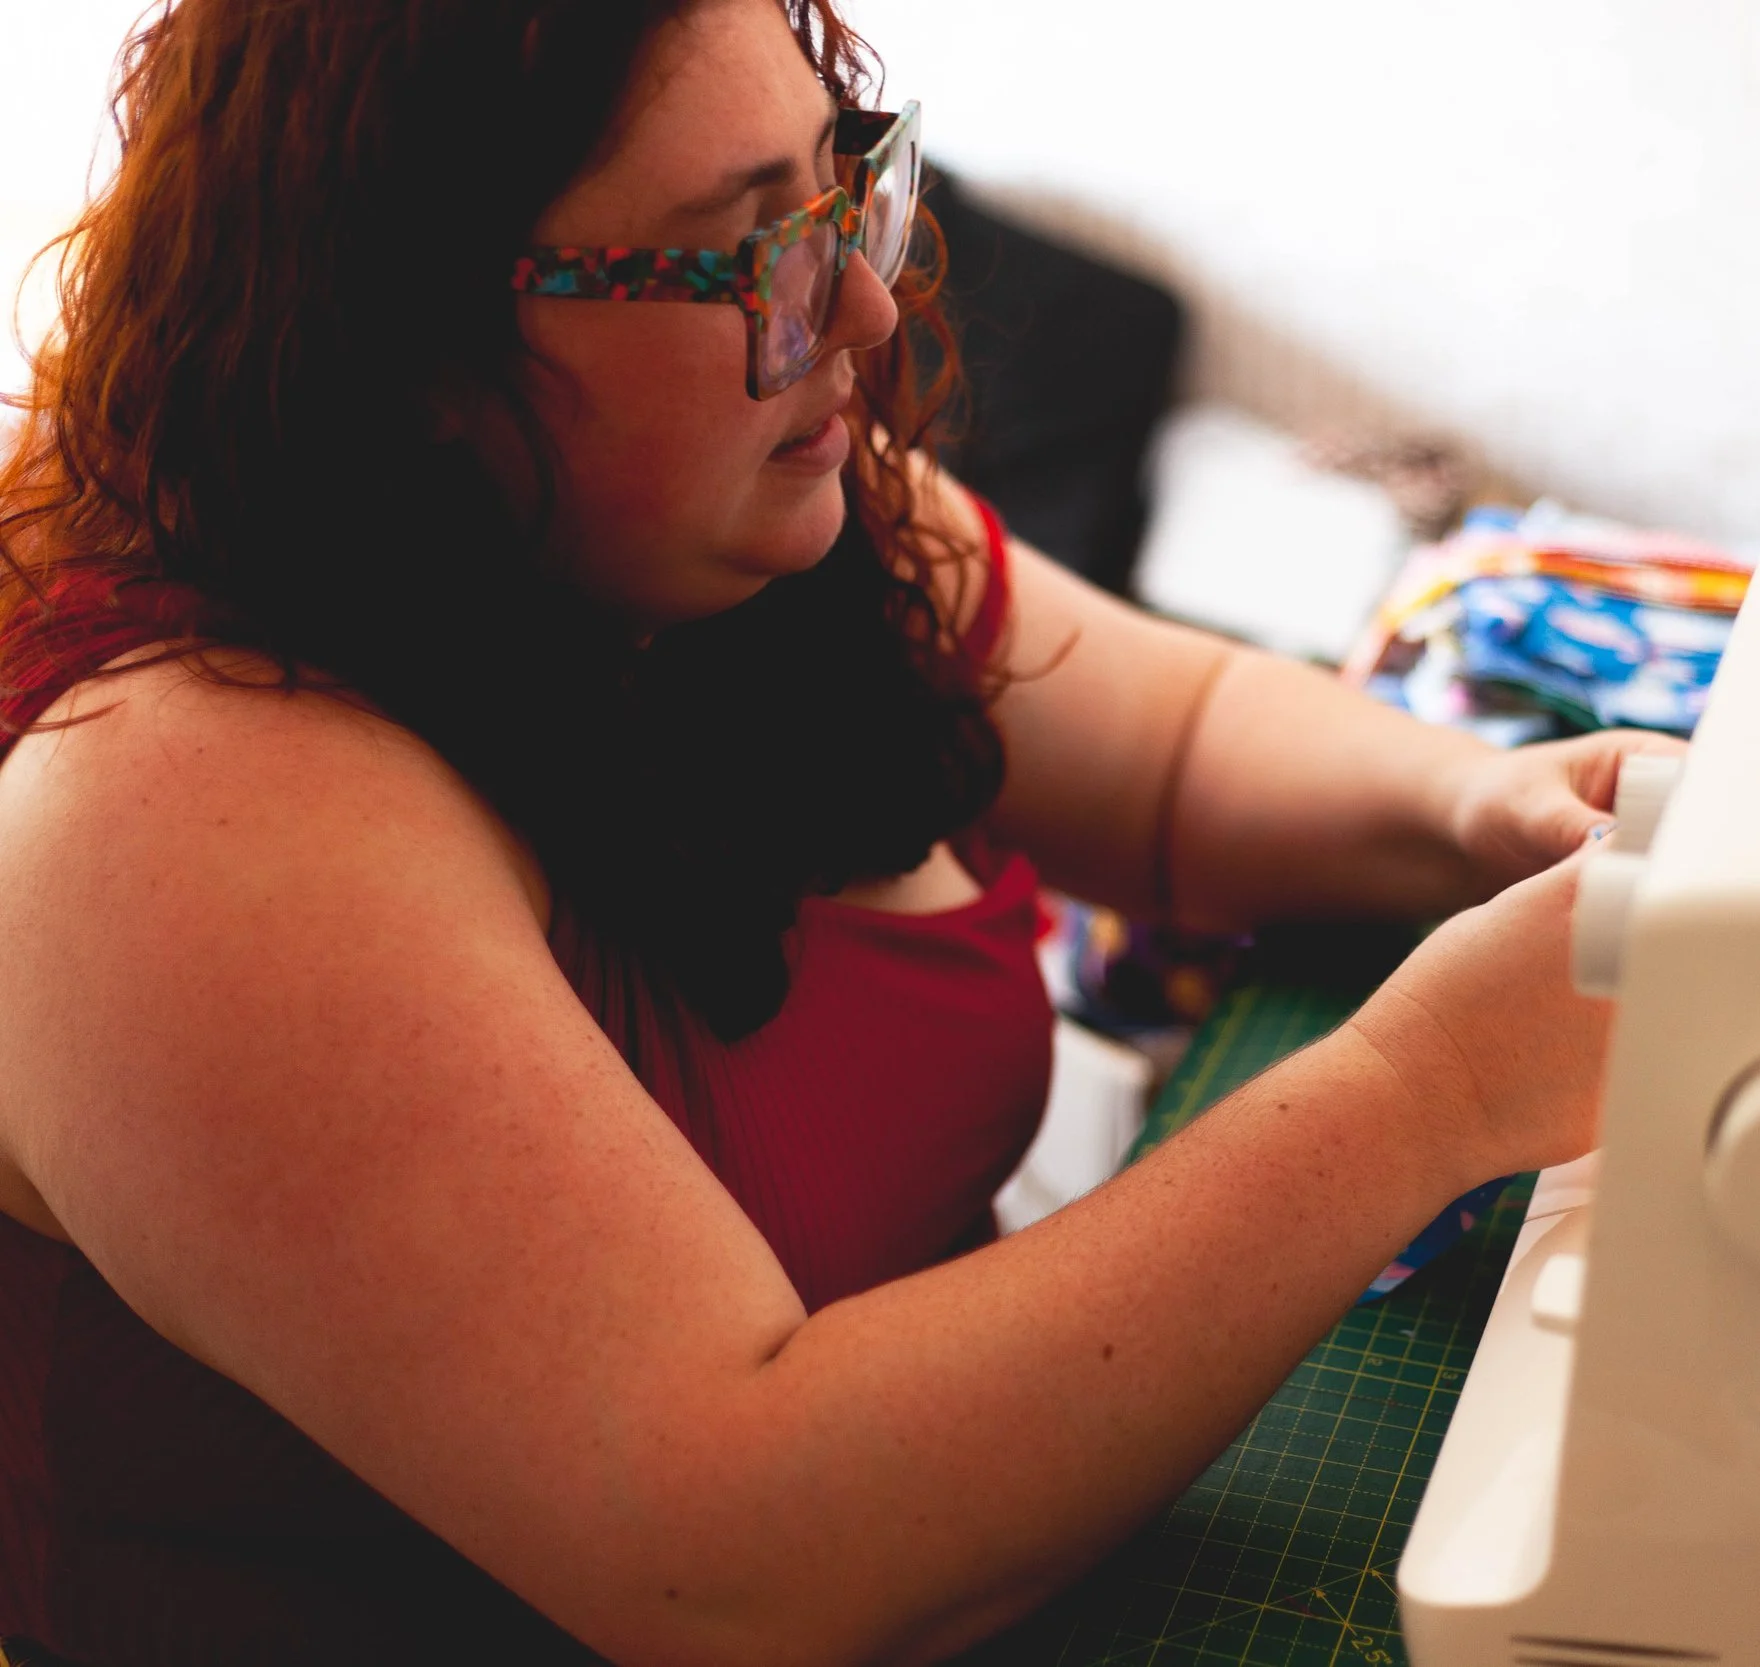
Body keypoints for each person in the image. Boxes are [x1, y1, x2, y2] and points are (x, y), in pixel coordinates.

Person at [0, 2, 1658, 1661]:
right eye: (741, 252)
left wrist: (1481, 805)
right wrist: (1420, 1091)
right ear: (411, 343)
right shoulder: (173, 807)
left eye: (837, 186)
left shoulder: (725, 514)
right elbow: (742, 1549)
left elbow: (1172, 751)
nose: (861, 302)